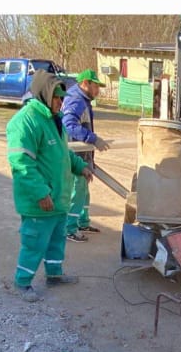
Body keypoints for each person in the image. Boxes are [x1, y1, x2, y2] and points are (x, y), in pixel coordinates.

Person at [6, 72, 89, 297]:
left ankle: (54, 275)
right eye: (57, 98)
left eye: (63, 98)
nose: (61, 103)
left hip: (58, 199)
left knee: (55, 241)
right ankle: (21, 283)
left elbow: (62, 153)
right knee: (34, 243)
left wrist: (80, 166)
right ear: (45, 94)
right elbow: (21, 164)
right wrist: (40, 192)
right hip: (40, 202)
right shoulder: (25, 121)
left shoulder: (54, 120)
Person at [61, 69, 110, 240]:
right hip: (76, 155)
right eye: (95, 86)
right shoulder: (76, 100)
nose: (98, 90)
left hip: (83, 154)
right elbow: (68, 125)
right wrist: (93, 139)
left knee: (84, 190)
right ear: (85, 83)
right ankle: (70, 228)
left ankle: (83, 221)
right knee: (78, 190)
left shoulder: (83, 100)